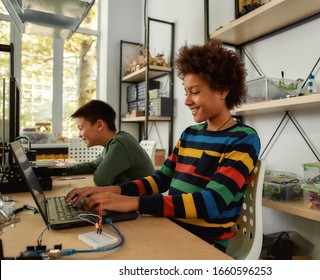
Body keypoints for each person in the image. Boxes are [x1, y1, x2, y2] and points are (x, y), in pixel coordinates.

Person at [66, 39, 260, 252]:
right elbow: (161, 179)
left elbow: (211, 203)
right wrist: (110, 191)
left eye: (194, 92)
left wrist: (134, 203)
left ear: (223, 91)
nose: (187, 101)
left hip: (204, 244)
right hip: (171, 226)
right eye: (186, 92)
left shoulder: (242, 139)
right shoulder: (189, 134)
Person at [66, 99, 155, 186]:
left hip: (143, 199)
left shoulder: (120, 143)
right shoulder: (112, 144)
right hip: (130, 198)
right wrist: (65, 169)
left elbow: (100, 180)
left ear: (99, 125)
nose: (79, 135)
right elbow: (93, 165)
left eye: (81, 128)